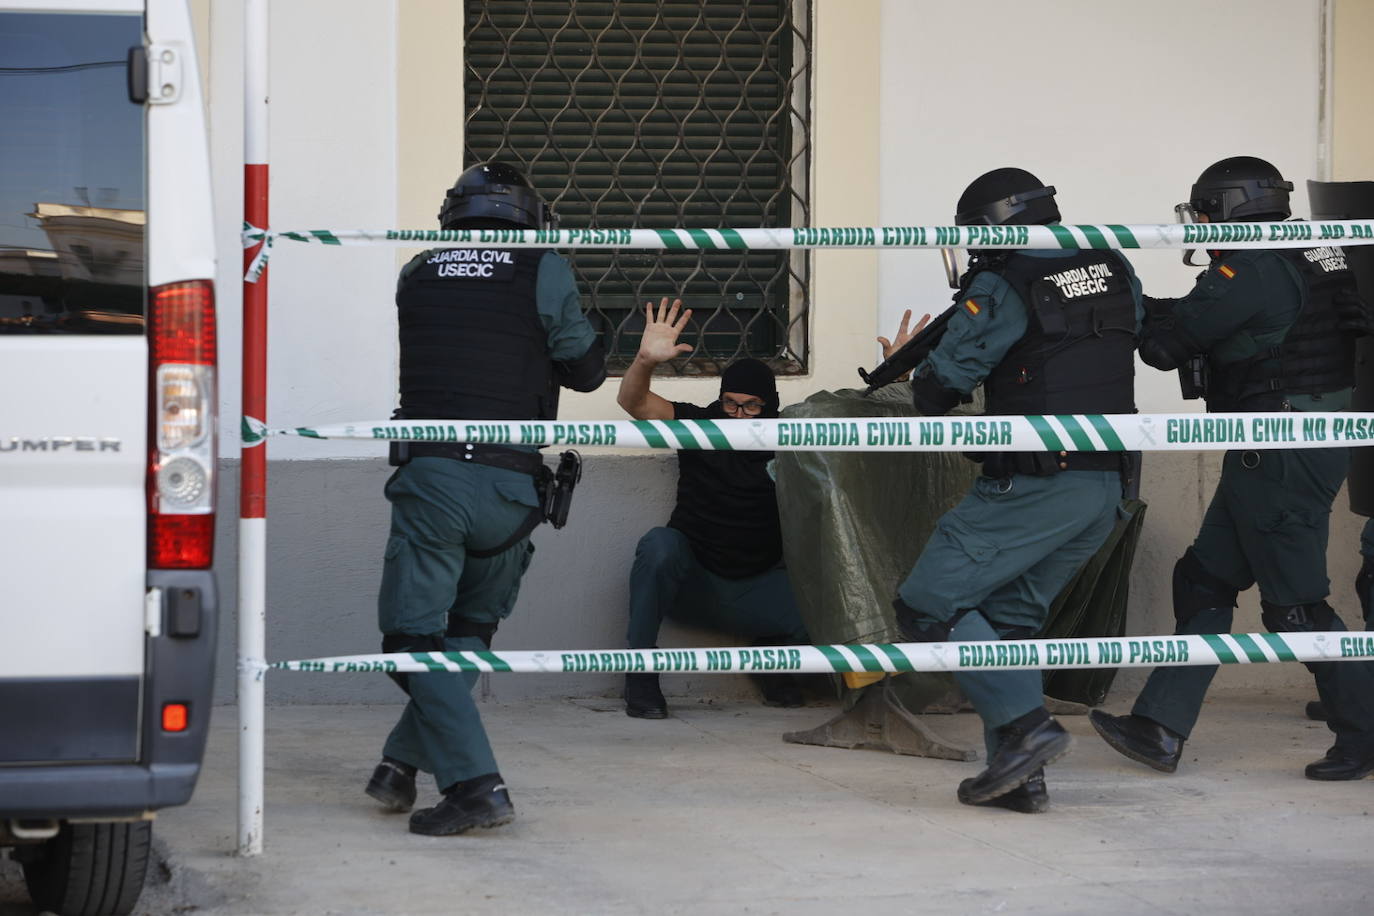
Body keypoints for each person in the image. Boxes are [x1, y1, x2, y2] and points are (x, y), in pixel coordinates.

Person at [1090, 156, 1374, 781]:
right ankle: (1159, 728)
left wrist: (1123, 297)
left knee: (1295, 608)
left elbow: (1167, 348)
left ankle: (1364, 732)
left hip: (1280, 450)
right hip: (1287, 441)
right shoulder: (1311, 246)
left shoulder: (1248, 269)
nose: (1200, 222)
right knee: (1204, 581)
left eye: (1206, 209)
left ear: (1232, 206)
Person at [364, 162, 607, 835]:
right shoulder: (543, 268)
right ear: (528, 217)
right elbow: (586, 372)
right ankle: (398, 767)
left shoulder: (416, 271)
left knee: (412, 643)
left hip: (435, 481)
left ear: (454, 215)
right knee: (467, 636)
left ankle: (476, 785)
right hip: (512, 489)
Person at [890, 167, 1142, 813]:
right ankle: (1020, 780)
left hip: (1036, 484)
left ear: (996, 226)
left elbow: (936, 393)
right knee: (1009, 622)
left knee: (927, 606)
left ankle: (1029, 733)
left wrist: (922, 363)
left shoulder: (1003, 281)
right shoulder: (1110, 261)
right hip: (1105, 485)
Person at [617, 298, 810, 718]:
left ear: (770, 407)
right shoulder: (700, 425)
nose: (739, 416)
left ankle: (772, 658)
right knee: (659, 545)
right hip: (694, 583)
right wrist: (645, 360)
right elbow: (634, 403)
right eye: (730, 404)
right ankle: (640, 673)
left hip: (759, 586)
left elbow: (861, 422)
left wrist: (899, 380)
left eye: (752, 406)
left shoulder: (791, 437)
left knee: (837, 603)